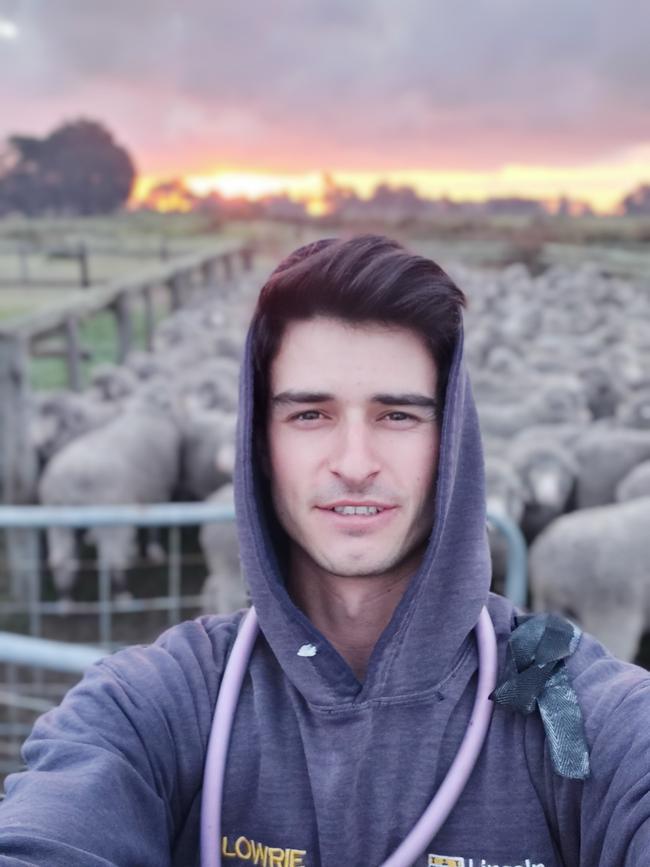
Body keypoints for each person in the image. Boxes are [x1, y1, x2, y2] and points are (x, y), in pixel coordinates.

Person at [1, 234, 650, 867]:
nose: (355, 463)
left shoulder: (582, 715)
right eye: (310, 414)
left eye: (398, 415)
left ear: (452, 439)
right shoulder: (156, 702)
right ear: (260, 442)